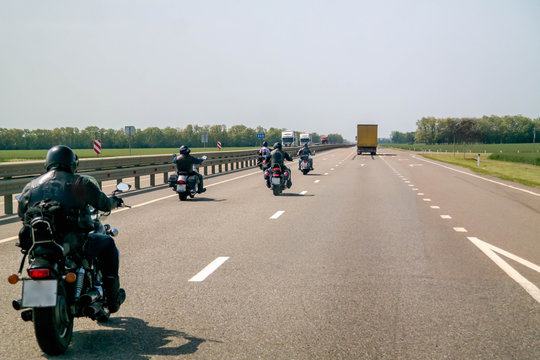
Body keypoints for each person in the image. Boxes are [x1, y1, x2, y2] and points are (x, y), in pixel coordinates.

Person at [17, 145, 126, 313]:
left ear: (48, 163)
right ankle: (112, 299)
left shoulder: (31, 186)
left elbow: (21, 213)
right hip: (73, 243)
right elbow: (103, 203)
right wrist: (115, 201)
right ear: (72, 163)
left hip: (39, 245)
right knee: (108, 243)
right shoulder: (79, 183)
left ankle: (38, 299)